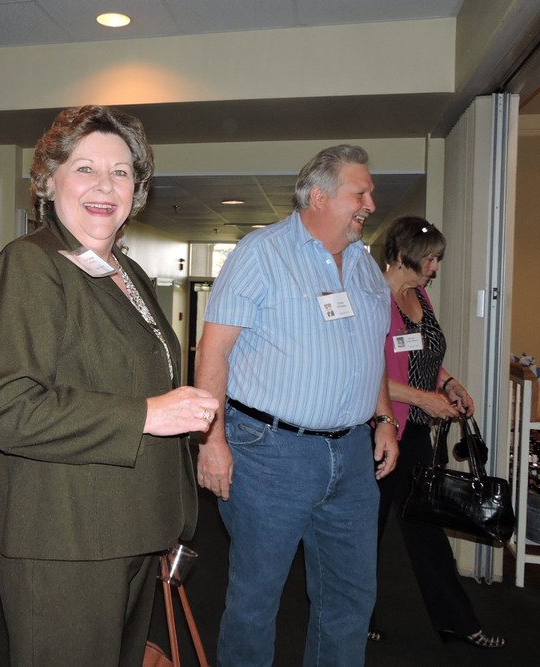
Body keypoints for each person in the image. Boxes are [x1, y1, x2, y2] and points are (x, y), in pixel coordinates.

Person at [0, 105, 220, 667]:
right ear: (48, 180)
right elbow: (9, 409)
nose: (105, 186)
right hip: (63, 537)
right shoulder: (30, 264)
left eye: (121, 172)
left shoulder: (126, 273)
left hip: (129, 527)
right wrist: (148, 414)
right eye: (85, 168)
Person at [195, 144, 400, 667]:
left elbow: (370, 351)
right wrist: (211, 440)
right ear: (319, 196)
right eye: (360, 193)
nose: (371, 204)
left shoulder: (365, 266)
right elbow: (213, 350)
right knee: (256, 598)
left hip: (352, 455)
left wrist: (383, 419)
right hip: (270, 453)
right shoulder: (260, 254)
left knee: (351, 598)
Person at [370, 215, 505, 648]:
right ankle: (356, 615)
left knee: (427, 527)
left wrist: (448, 384)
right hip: (377, 431)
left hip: (413, 433)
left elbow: (427, 356)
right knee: (365, 532)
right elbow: (366, 374)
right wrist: (423, 399)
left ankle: (456, 622)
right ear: (401, 254)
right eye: (429, 259)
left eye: (437, 259)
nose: (435, 268)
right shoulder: (374, 297)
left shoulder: (420, 297)